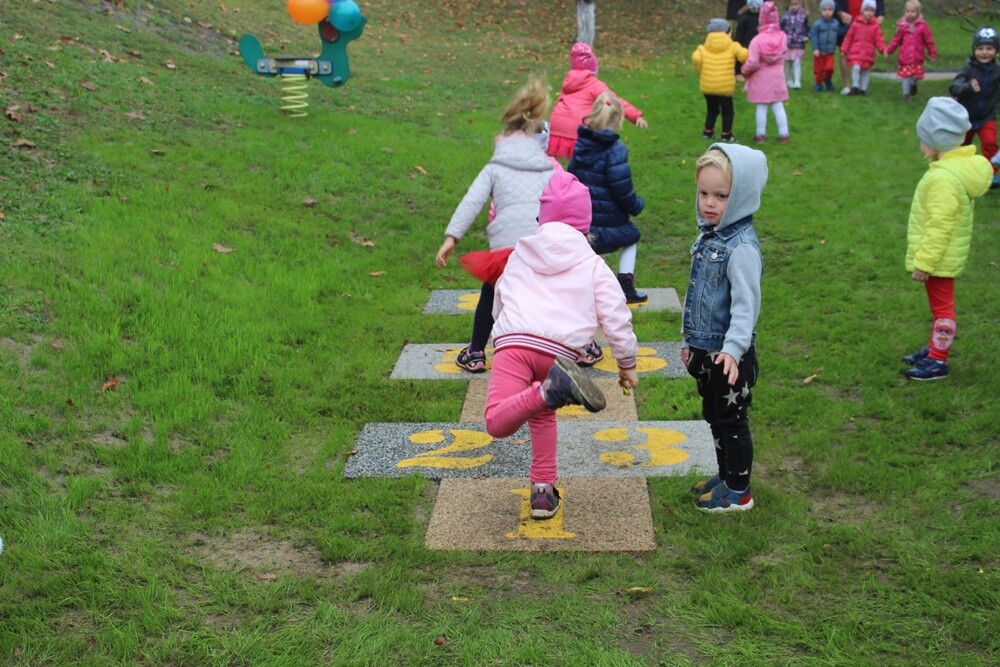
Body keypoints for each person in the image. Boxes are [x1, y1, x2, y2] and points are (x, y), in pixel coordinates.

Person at [483, 170, 639, 519]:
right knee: (542, 415)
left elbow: (500, 298)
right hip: (559, 355)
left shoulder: (519, 254)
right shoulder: (593, 264)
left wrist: (499, 333)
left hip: (514, 344)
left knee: (496, 421)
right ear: (585, 225)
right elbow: (616, 315)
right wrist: (627, 363)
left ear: (542, 218)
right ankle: (543, 491)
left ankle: (545, 394)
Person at [435, 77, 555, 373]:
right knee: (542, 299)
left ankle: (476, 352)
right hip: (538, 249)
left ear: (503, 140)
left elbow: (471, 201)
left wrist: (452, 237)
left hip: (503, 253)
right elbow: (563, 203)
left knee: (491, 295)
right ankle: (550, 354)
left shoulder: (495, 167)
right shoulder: (548, 168)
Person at [683, 143, 767, 512]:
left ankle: (739, 491)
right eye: (703, 193)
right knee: (715, 415)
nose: (709, 203)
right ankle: (725, 474)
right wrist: (690, 341)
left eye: (721, 196)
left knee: (732, 420)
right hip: (708, 352)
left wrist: (733, 350)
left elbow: (746, 307)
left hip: (729, 356)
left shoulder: (741, 248)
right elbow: (698, 295)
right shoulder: (710, 236)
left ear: (742, 196)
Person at [902, 97, 993, 380]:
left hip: (939, 258)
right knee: (939, 307)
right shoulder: (954, 170)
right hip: (943, 254)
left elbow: (939, 225)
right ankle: (934, 348)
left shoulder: (943, 179)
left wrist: (924, 262)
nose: (920, 144)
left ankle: (938, 360)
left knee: (943, 309)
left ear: (934, 143)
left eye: (923, 139)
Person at [569, 93, 649, 309]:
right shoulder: (616, 150)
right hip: (610, 220)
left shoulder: (580, 146)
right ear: (619, 119)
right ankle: (626, 286)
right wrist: (636, 205)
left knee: (593, 250)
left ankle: (587, 290)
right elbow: (622, 189)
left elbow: (571, 178)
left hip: (584, 220)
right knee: (631, 237)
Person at [546, 42, 648, 161]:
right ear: (593, 71)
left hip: (555, 130)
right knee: (582, 165)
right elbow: (614, 101)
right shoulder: (595, 85)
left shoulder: (568, 83)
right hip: (577, 132)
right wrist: (635, 115)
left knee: (556, 165)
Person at [949, 26, 1000, 190]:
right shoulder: (968, 68)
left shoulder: (997, 70)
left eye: (989, 48)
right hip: (966, 117)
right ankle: (960, 172)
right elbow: (954, 88)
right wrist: (968, 87)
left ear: (996, 51)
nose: (984, 52)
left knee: (990, 142)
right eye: (980, 48)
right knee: (962, 147)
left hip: (987, 116)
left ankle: (991, 174)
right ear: (974, 50)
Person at [692, 18, 749, 143]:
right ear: (726, 32)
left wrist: (700, 71)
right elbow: (744, 56)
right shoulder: (733, 46)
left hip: (708, 85)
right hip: (724, 86)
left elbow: (696, 58)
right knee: (728, 111)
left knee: (712, 110)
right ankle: (726, 135)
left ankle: (708, 132)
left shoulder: (703, 48)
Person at [742, 1, 790, 143]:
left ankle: (760, 134)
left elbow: (753, 62)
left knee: (761, 106)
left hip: (761, 78)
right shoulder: (782, 37)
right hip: (777, 78)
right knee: (778, 105)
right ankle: (784, 134)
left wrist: (744, 70)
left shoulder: (756, 40)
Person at [886, 0, 937, 101]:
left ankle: (913, 84)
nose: (910, 14)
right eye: (907, 11)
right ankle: (905, 93)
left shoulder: (922, 27)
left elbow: (929, 41)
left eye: (912, 11)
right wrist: (889, 51)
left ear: (918, 12)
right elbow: (896, 40)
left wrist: (932, 53)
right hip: (905, 57)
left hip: (917, 57)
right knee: (905, 76)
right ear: (904, 12)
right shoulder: (902, 27)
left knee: (915, 75)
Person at [835, 0, 884, 95]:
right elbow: (848, 38)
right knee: (848, 57)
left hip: (867, 41)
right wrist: (840, 11)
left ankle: (863, 89)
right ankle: (849, 85)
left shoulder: (874, 25)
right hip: (847, 17)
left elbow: (879, 39)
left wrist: (881, 13)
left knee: (865, 66)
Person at [810, 0, 840, 92]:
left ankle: (828, 80)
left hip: (830, 52)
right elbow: (814, 36)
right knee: (819, 69)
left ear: (833, 11)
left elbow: (838, 35)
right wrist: (815, 48)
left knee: (830, 68)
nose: (827, 12)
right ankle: (818, 83)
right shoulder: (817, 24)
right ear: (821, 11)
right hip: (820, 51)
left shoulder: (836, 23)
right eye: (824, 10)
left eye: (830, 10)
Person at [780, 0, 810, 90]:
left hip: (798, 43)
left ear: (800, 5)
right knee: (789, 64)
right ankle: (789, 81)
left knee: (797, 62)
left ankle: (797, 82)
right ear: (789, 5)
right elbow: (780, 27)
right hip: (787, 44)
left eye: (796, 4)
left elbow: (808, 28)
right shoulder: (785, 16)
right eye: (792, 4)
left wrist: (807, 36)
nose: (794, 6)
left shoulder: (803, 16)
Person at [734, 0, 762, 77]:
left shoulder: (744, 18)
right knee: (742, 56)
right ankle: (738, 72)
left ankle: (741, 72)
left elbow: (738, 34)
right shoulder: (745, 18)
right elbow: (739, 34)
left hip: (753, 43)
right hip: (746, 43)